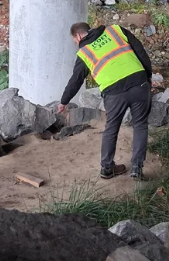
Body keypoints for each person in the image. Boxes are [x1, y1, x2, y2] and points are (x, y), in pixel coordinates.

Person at [58, 22, 153, 180]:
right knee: (140, 125)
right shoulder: (116, 31)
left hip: (114, 93)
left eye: (75, 41)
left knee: (111, 128)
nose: (76, 44)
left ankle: (107, 168)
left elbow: (76, 79)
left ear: (78, 36)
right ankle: (136, 169)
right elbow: (140, 51)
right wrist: (148, 75)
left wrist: (64, 101)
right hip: (138, 83)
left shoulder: (84, 52)